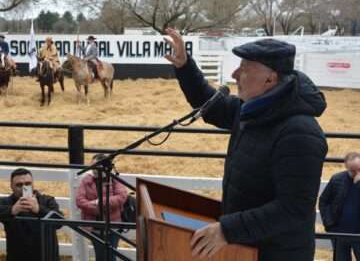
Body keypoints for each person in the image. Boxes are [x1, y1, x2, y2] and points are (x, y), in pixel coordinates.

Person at [164, 28, 328, 260]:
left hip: (277, 254)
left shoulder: (299, 133)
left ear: (270, 79)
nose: (234, 74)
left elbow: (293, 209)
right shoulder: (251, 110)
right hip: (246, 248)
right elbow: (212, 106)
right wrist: (185, 66)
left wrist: (227, 229)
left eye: (244, 69)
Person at [0, 168, 62, 261]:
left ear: (33, 184)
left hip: (47, 257)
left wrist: (39, 209)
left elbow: (60, 222)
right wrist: (11, 210)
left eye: (28, 184)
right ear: (11, 186)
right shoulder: (7, 202)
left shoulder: (47, 200)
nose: (24, 188)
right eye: (19, 185)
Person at [76, 154, 128, 261]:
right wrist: (97, 207)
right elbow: (80, 201)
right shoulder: (86, 180)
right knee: (100, 256)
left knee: (110, 255)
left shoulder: (113, 179)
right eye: (92, 166)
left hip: (112, 227)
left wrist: (99, 202)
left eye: (95, 166)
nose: (92, 169)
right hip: (95, 227)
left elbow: (122, 196)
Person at [319, 152, 360, 261]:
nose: (357, 173)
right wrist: (328, 223)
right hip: (339, 233)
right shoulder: (337, 179)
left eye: (359, 169)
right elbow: (323, 201)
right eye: (353, 170)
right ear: (346, 167)